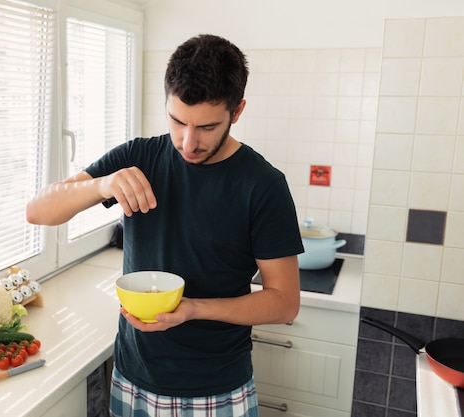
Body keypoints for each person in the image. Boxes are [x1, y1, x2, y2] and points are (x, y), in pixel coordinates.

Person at [26, 34, 303, 417]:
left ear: (236, 111)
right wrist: (101, 184)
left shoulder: (263, 185)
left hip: (217, 389)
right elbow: (38, 211)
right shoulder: (139, 157)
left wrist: (194, 309)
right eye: (177, 120)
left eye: (206, 127)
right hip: (132, 378)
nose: (188, 142)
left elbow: (285, 303)